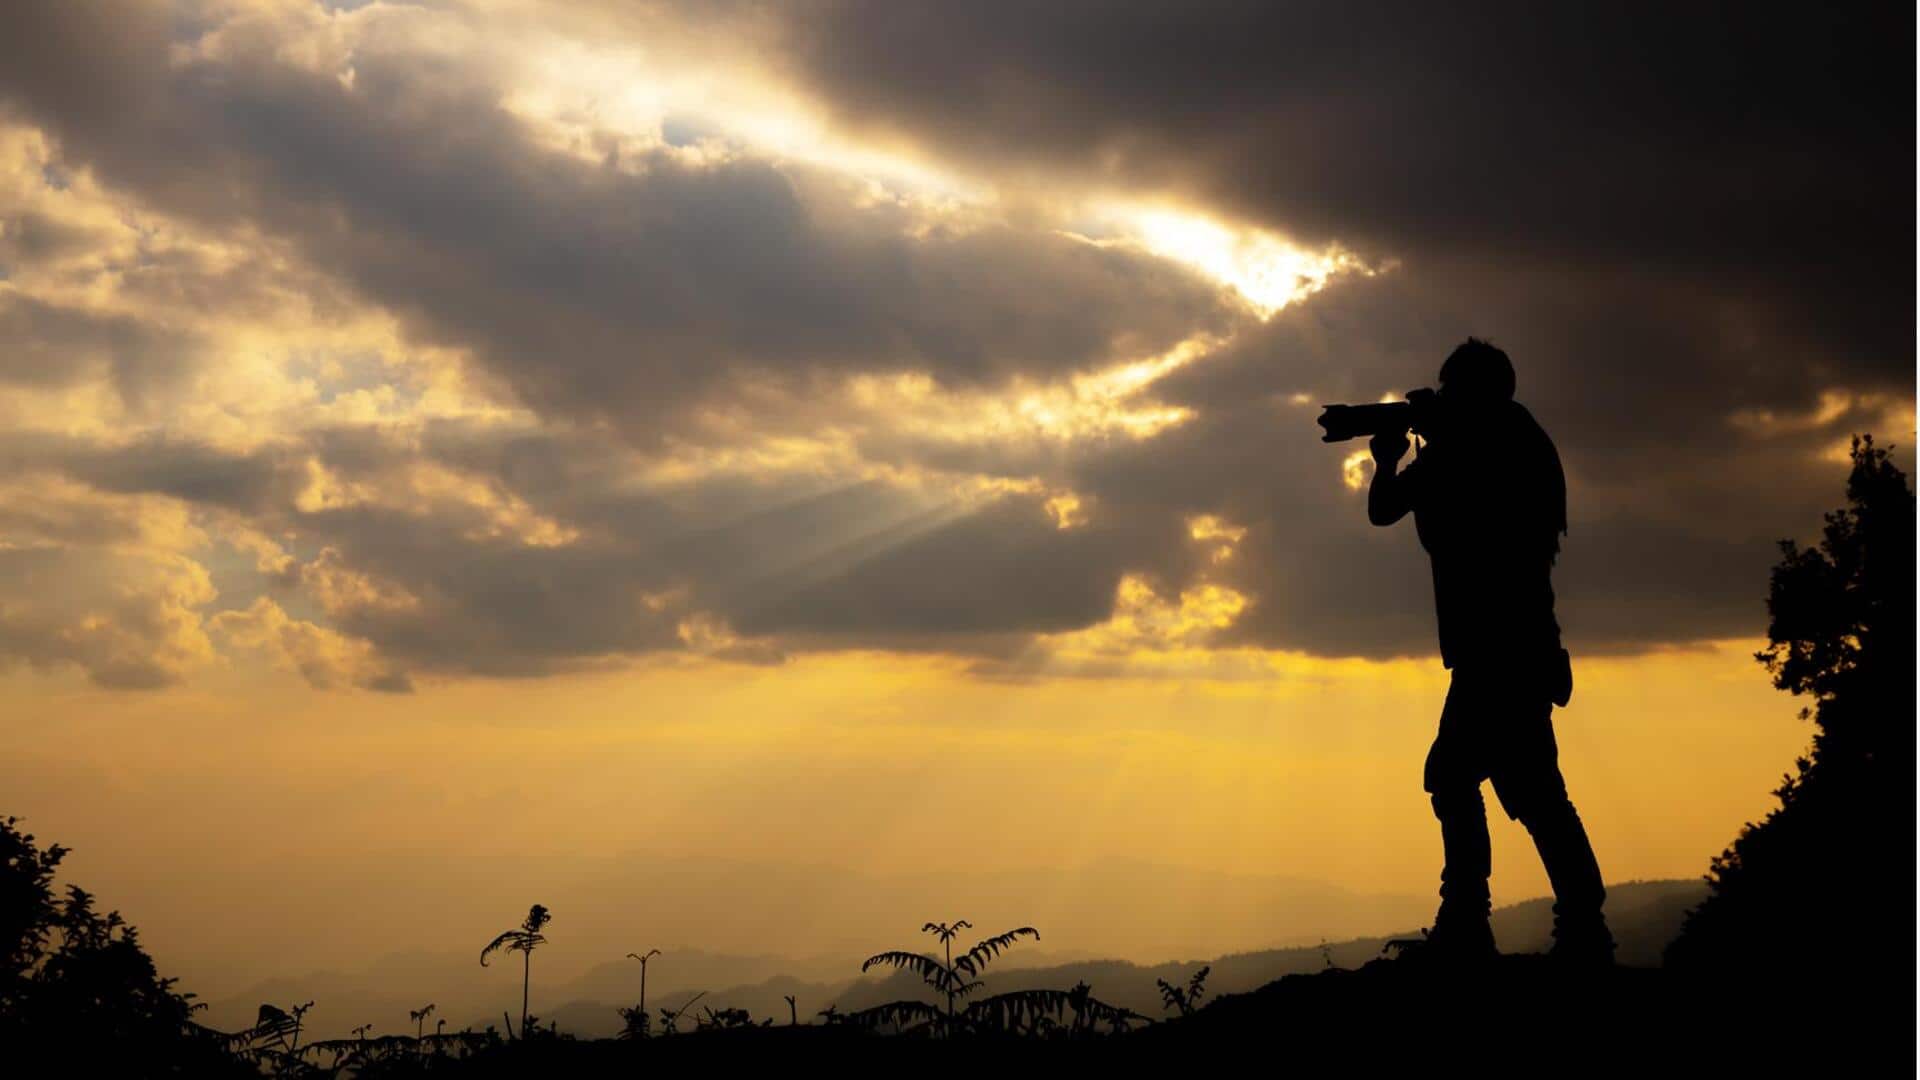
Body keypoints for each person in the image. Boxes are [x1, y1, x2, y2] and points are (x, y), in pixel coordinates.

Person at [1365, 337, 1615, 965]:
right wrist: (1401, 451)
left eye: (1451, 391)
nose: (1443, 400)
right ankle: (1574, 925)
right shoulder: (1508, 441)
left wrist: (1402, 451)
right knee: (1531, 791)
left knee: (1464, 779)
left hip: (1502, 649)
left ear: (1474, 392)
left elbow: (1387, 507)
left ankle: (1473, 922)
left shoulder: (1489, 445)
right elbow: (1387, 508)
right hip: (1514, 648)